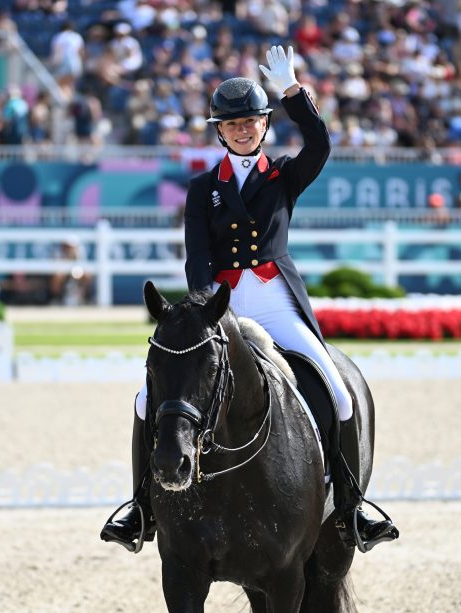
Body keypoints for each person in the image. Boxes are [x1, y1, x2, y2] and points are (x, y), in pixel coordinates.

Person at [100, 45, 398, 554]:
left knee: (339, 392)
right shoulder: (203, 188)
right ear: (220, 130)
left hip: (275, 300)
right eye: (232, 124)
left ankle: (352, 508)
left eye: (251, 121)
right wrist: (204, 307)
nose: (242, 130)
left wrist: (293, 92)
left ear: (264, 124)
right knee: (147, 398)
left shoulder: (283, 176)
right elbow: (197, 256)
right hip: (225, 303)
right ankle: (140, 508)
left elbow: (321, 144)